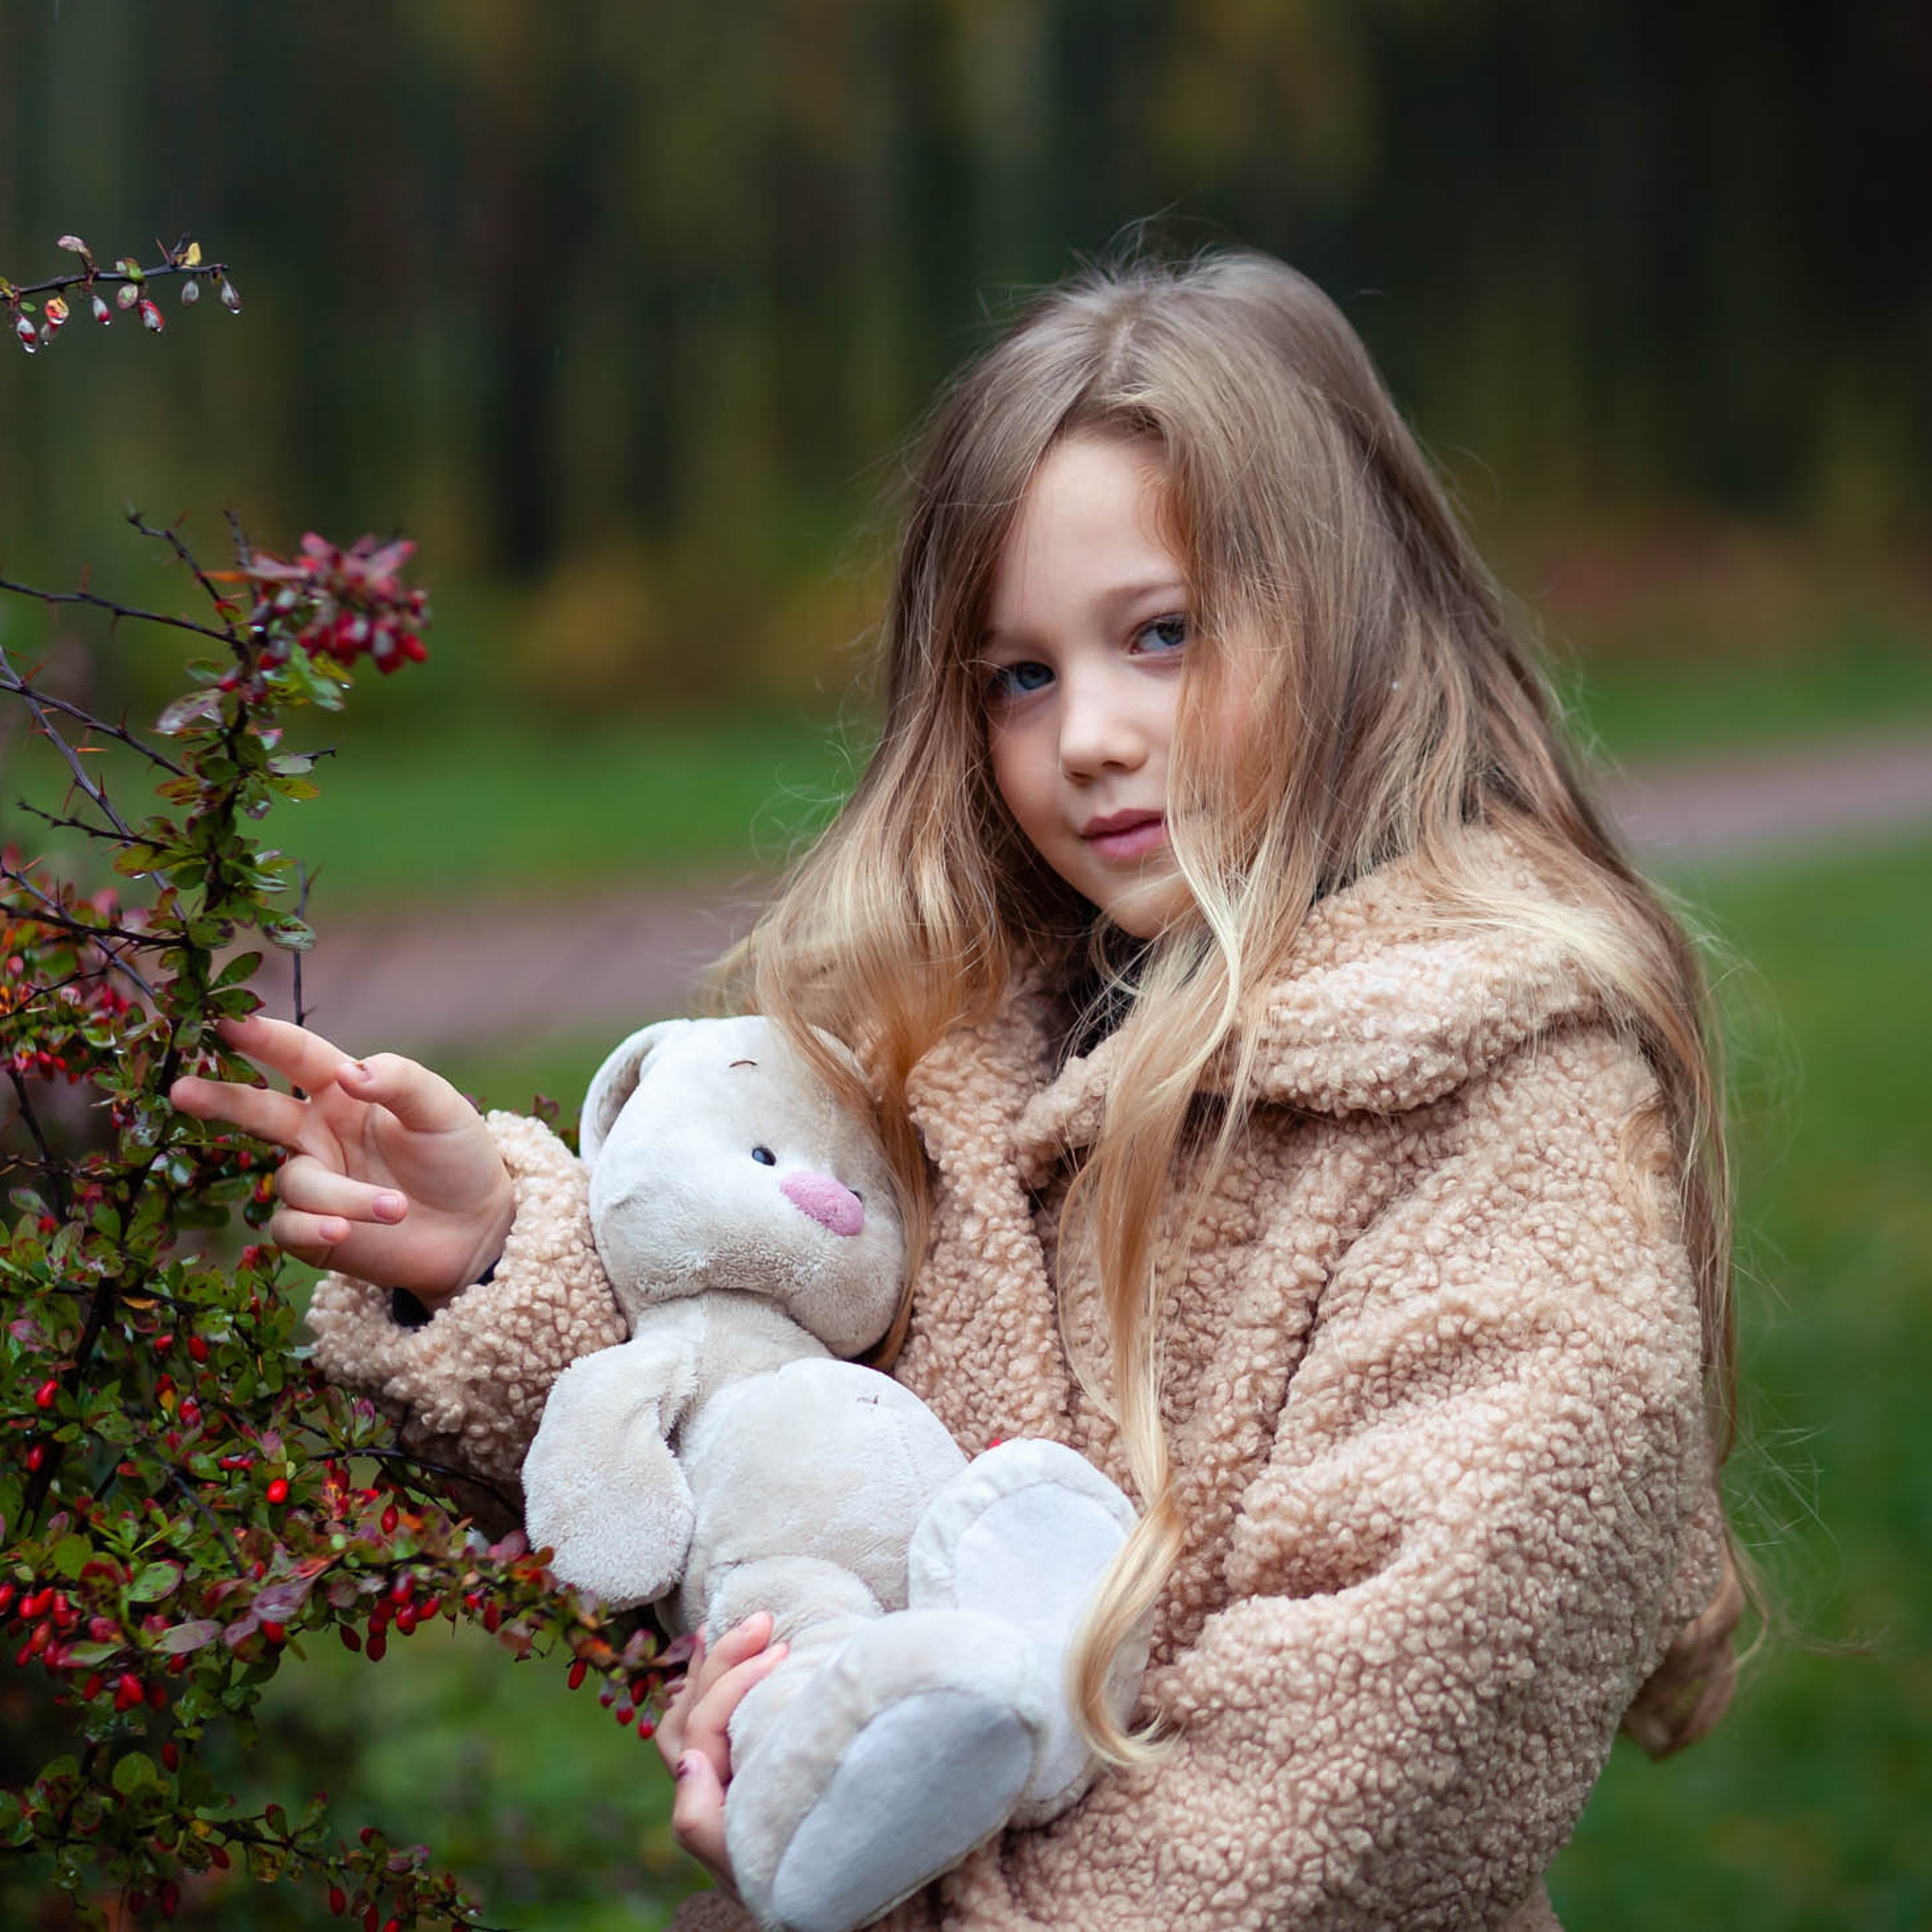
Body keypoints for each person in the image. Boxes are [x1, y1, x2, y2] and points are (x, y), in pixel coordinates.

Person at [171, 250, 1744, 1930]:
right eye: (1022, 674)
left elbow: (1351, 1782)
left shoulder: (1510, 1127)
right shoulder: (980, 1044)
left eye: (1161, 635)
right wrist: (495, 1255)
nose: (1088, 734)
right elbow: (795, 1438)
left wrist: (894, 1871)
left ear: (1361, 614)